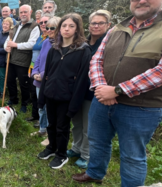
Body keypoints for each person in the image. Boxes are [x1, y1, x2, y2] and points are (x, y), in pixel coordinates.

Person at [72, 0, 162, 187]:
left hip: (141, 107)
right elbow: (97, 60)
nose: (142, 0)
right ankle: (95, 173)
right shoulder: (118, 28)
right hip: (103, 100)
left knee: (133, 156)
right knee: (97, 142)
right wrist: (102, 89)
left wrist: (117, 90)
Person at [37, 13, 91, 169]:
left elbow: (82, 80)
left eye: (71, 26)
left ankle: (61, 154)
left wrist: (74, 104)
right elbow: (47, 73)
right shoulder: (55, 48)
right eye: (64, 26)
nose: (66, 29)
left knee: (62, 127)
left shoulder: (83, 51)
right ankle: (51, 148)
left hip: (66, 97)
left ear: (77, 29)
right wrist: (42, 97)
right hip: (50, 93)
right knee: (51, 124)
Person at [67, 10, 112, 169]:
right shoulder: (83, 42)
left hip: (92, 92)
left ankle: (86, 155)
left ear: (108, 25)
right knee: (76, 121)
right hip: (77, 88)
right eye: (93, 23)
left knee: (88, 126)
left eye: (100, 23)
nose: (96, 26)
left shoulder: (108, 44)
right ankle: (76, 148)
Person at [4, 5, 40, 113]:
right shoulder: (15, 26)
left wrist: (16, 45)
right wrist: (6, 47)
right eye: (21, 12)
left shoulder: (34, 26)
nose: (23, 14)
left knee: (23, 83)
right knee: (10, 81)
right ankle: (13, 99)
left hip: (23, 61)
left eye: (25, 12)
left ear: (30, 12)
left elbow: (32, 44)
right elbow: (7, 40)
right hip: (10, 59)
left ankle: (24, 103)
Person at [32, 16, 61, 146]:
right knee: (41, 106)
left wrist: (43, 74)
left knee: (50, 110)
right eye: (47, 28)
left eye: (52, 28)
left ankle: (51, 135)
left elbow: (57, 65)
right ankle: (42, 129)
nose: (49, 30)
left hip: (50, 81)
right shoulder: (45, 42)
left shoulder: (61, 45)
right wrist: (34, 72)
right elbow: (38, 60)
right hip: (39, 80)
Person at [26, 13, 52, 124]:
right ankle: (36, 116)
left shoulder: (51, 40)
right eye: (41, 22)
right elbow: (36, 55)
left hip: (45, 73)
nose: (43, 24)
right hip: (34, 68)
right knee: (34, 94)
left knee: (44, 99)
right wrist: (32, 70)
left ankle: (44, 124)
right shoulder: (40, 37)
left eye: (46, 22)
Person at [0, 17, 12, 98]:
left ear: (10, 26)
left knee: (2, 76)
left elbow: (8, 48)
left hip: (3, 58)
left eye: (7, 24)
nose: (5, 25)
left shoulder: (10, 36)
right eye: (4, 24)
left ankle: (2, 91)